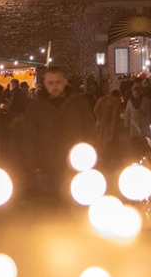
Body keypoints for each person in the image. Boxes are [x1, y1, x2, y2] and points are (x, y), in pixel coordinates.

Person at [22, 67, 96, 198]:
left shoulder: (79, 104)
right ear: (45, 84)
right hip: (46, 167)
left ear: (65, 82)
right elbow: (28, 138)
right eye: (50, 83)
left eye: (58, 82)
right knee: (49, 210)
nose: (54, 86)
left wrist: (90, 158)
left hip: (75, 165)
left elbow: (90, 132)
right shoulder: (36, 107)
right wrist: (34, 164)